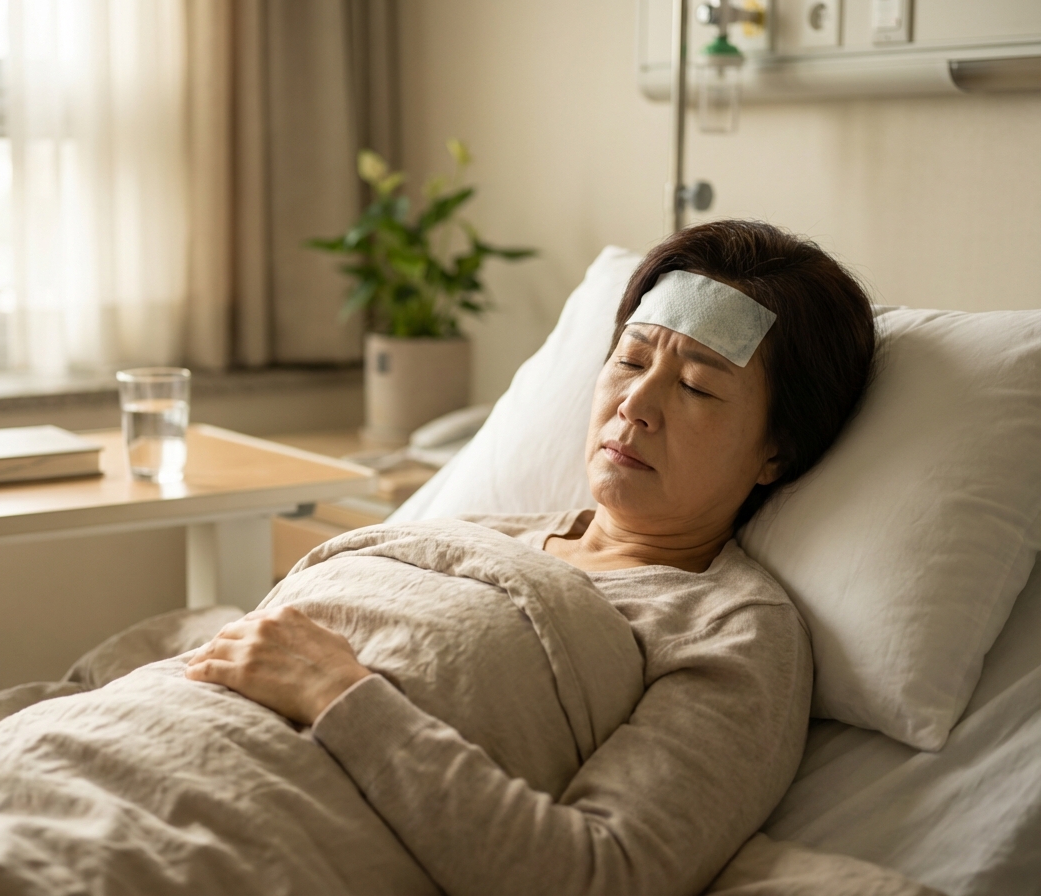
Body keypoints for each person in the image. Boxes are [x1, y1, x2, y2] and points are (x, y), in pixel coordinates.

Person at [184, 219, 879, 895]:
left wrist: (337, 696)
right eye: (631, 361)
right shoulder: (470, 532)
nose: (636, 404)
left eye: (696, 386)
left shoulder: (730, 627)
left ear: (776, 452)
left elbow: (604, 873)